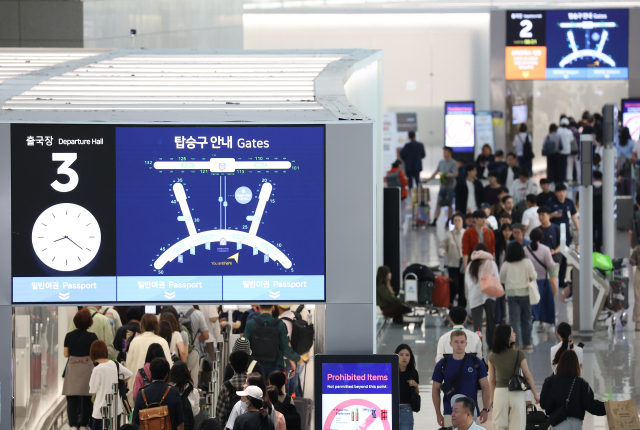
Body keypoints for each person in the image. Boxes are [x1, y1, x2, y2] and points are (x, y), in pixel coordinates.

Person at [432, 331, 490, 428]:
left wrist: (485, 409)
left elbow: (485, 386)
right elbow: (435, 389)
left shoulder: (476, 362)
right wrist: (438, 413)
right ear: (450, 343)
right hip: (450, 413)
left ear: (466, 344)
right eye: (456, 342)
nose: (459, 345)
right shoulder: (442, 364)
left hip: (471, 413)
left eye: (462, 342)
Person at [489, 324, 538, 430]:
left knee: (499, 425)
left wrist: (491, 398)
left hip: (500, 393)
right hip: (517, 392)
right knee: (517, 424)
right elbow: (527, 375)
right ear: (506, 336)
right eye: (512, 332)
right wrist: (535, 394)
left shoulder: (492, 355)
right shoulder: (518, 353)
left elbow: (492, 380)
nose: (515, 334)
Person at [540, 350, 606, 429]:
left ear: (560, 363)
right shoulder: (581, 383)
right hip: (575, 424)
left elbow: (543, 404)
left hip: (557, 422)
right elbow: (591, 405)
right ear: (576, 365)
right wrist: (609, 407)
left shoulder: (549, 381)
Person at [64, 309, 99, 430]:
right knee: (87, 398)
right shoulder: (92, 336)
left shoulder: (69, 336)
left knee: (72, 398)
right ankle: (84, 424)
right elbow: (95, 354)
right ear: (89, 322)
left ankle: (73, 425)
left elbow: (65, 354)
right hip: (87, 368)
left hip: (73, 367)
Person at [244, 305, 301, 379]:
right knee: (274, 390)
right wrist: (297, 359)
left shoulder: (250, 324)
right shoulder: (280, 324)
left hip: (255, 367)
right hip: (275, 367)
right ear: (273, 308)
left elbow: (244, 346)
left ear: (259, 308)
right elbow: (285, 349)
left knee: (256, 389)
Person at [499, 242, 537, 351]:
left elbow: (501, 279)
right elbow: (534, 276)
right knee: (526, 318)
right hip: (525, 293)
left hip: (511, 295)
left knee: (514, 320)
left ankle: (516, 345)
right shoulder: (527, 262)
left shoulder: (506, 264)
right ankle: (527, 344)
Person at [89, 340, 133, 430]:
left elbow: (93, 389)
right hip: (115, 409)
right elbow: (129, 374)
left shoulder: (97, 369)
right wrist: (120, 381)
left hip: (101, 410)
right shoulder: (115, 364)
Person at [132, 358, 185, 430]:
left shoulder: (141, 393)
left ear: (150, 373)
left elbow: (135, 422)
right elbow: (180, 421)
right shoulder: (173, 392)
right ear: (167, 375)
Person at [126, 314, 173, 391]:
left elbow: (129, 364)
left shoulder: (135, 341)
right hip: (159, 386)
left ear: (142, 326)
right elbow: (169, 365)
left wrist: (129, 385)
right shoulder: (162, 341)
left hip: (137, 384)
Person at [466, 243, 498, 351]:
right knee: (491, 321)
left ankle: (478, 346)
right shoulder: (491, 263)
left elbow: (468, 282)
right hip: (489, 294)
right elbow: (496, 278)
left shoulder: (471, 265)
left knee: (477, 324)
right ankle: (492, 344)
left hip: (475, 296)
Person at [548, 183, 579, 292]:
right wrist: (553, 215)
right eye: (559, 192)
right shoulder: (550, 203)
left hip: (565, 234)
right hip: (553, 233)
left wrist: (579, 229)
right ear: (556, 193)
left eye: (563, 191)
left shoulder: (569, 202)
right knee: (553, 255)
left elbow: (574, 216)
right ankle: (551, 279)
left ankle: (561, 279)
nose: (562, 194)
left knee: (564, 257)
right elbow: (545, 216)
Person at [525, 228, 557, 333]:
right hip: (543, 281)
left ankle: (532, 319)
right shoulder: (545, 249)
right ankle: (542, 323)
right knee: (544, 303)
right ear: (541, 237)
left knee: (532, 302)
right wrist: (555, 265)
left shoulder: (525, 249)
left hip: (530, 281)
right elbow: (550, 265)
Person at [175, 305, 210, 389]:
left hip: (175, 351)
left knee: (175, 380)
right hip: (193, 351)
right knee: (192, 382)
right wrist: (194, 339)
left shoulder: (173, 311)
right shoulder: (198, 314)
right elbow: (206, 335)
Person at [439, 213, 466, 308]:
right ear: (453, 222)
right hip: (452, 264)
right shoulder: (449, 235)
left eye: (459, 220)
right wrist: (442, 252)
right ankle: (450, 303)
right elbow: (443, 246)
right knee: (454, 286)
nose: (457, 222)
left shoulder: (466, 233)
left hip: (464, 265)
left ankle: (461, 307)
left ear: (462, 222)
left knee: (463, 287)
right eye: (455, 220)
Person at [426, 147, 459, 225]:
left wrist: (449, 175)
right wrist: (428, 179)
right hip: (442, 187)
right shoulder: (441, 162)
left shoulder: (453, 162)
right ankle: (434, 221)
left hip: (450, 187)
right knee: (438, 203)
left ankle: (448, 220)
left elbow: (455, 173)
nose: (444, 154)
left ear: (450, 153)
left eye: (446, 152)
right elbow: (436, 171)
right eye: (443, 152)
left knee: (449, 204)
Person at [218, 351, 250, 427]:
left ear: (231, 366)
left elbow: (220, 415)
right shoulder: (254, 384)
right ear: (247, 364)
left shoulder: (225, 387)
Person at [538, 206, 562, 296]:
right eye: (539, 215)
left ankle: (551, 301)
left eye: (543, 215)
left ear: (548, 216)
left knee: (553, 281)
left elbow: (562, 244)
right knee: (540, 282)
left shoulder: (556, 228)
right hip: (540, 260)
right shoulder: (537, 230)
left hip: (554, 259)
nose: (540, 217)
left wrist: (555, 251)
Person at [396, 344, 420, 430]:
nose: (404, 358)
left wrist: (416, 385)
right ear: (396, 356)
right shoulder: (390, 371)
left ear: (410, 357)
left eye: (407, 355)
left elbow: (416, 393)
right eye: (401, 355)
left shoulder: (413, 373)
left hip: (407, 409)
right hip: (392, 408)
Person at [557, 117, 575, 183]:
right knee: (566, 166)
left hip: (559, 151)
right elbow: (571, 140)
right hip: (567, 150)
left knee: (560, 166)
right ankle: (565, 179)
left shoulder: (558, 130)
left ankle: (560, 179)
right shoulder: (569, 132)